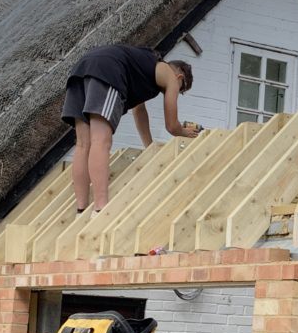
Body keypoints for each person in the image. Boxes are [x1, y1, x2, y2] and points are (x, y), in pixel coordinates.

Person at [61, 44, 199, 214]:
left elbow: (139, 111)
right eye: (182, 88)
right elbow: (172, 126)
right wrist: (185, 132)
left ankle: (80, 210)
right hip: (106, 71)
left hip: (80, 71)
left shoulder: (144, 67)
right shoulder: (170, 76)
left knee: (83, 144)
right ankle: (101, 210)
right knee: (101, 141)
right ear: (179, 76)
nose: (178, 92)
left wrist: (149, 147)